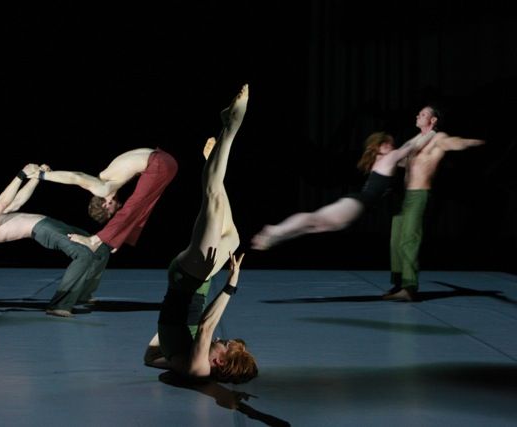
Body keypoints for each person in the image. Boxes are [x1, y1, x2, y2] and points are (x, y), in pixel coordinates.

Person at [139, 84, 258, 384]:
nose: (219, 338)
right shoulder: (186, 363)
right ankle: (212, 161)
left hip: (189, 278)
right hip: (195, 283)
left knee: (213, 196)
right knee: (232, 236)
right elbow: (150, 358)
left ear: (219, 361)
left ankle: (230, 127)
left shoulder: (199, 369)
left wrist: (230, 286)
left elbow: (206, 326)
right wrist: (168, 326)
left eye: (223, 344)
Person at [0, 164, 108, 318]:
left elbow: (17, 201)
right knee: (83, 255)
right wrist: (21, 175)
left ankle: (83, 294)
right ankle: (59, 306)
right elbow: (2, 202)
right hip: (44, 230)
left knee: (101, 247)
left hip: (51, 224)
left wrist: (37, 177)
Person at [31, 148, 178, 301]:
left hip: (160, 163)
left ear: (105, 205)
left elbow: (76, 176)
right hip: (164, 158)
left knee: (132, 206)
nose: (117, 207)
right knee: (142, 206)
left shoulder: (101, 188)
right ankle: (118, 238)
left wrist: (42, 175)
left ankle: (95, 240)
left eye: (112, 213)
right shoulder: (108, 178)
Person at [250, 130, 437, 250]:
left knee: (316, 226)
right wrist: (431, 132)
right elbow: (412, 146)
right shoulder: (390, 157)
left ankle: (276, 237)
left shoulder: (383, 159)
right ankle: (275, 230)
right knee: (315, 219)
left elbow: (407, 148)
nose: (393, 146)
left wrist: (423, 134)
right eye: (389, 143)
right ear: (381, 146)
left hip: (357, 203)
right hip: (357, 203)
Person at [384, 106, 485, 301]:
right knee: (396, 238)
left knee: (409, 239)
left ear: (433, 120)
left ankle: (409, 287)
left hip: (420, 194)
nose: (418, 115)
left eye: (423, 114)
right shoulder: (414, 140)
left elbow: (452, 143)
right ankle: (399, 283)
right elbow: (401, 162)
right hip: (406, 196)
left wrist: (471, 142)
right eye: (418, 113)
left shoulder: (437, 138)